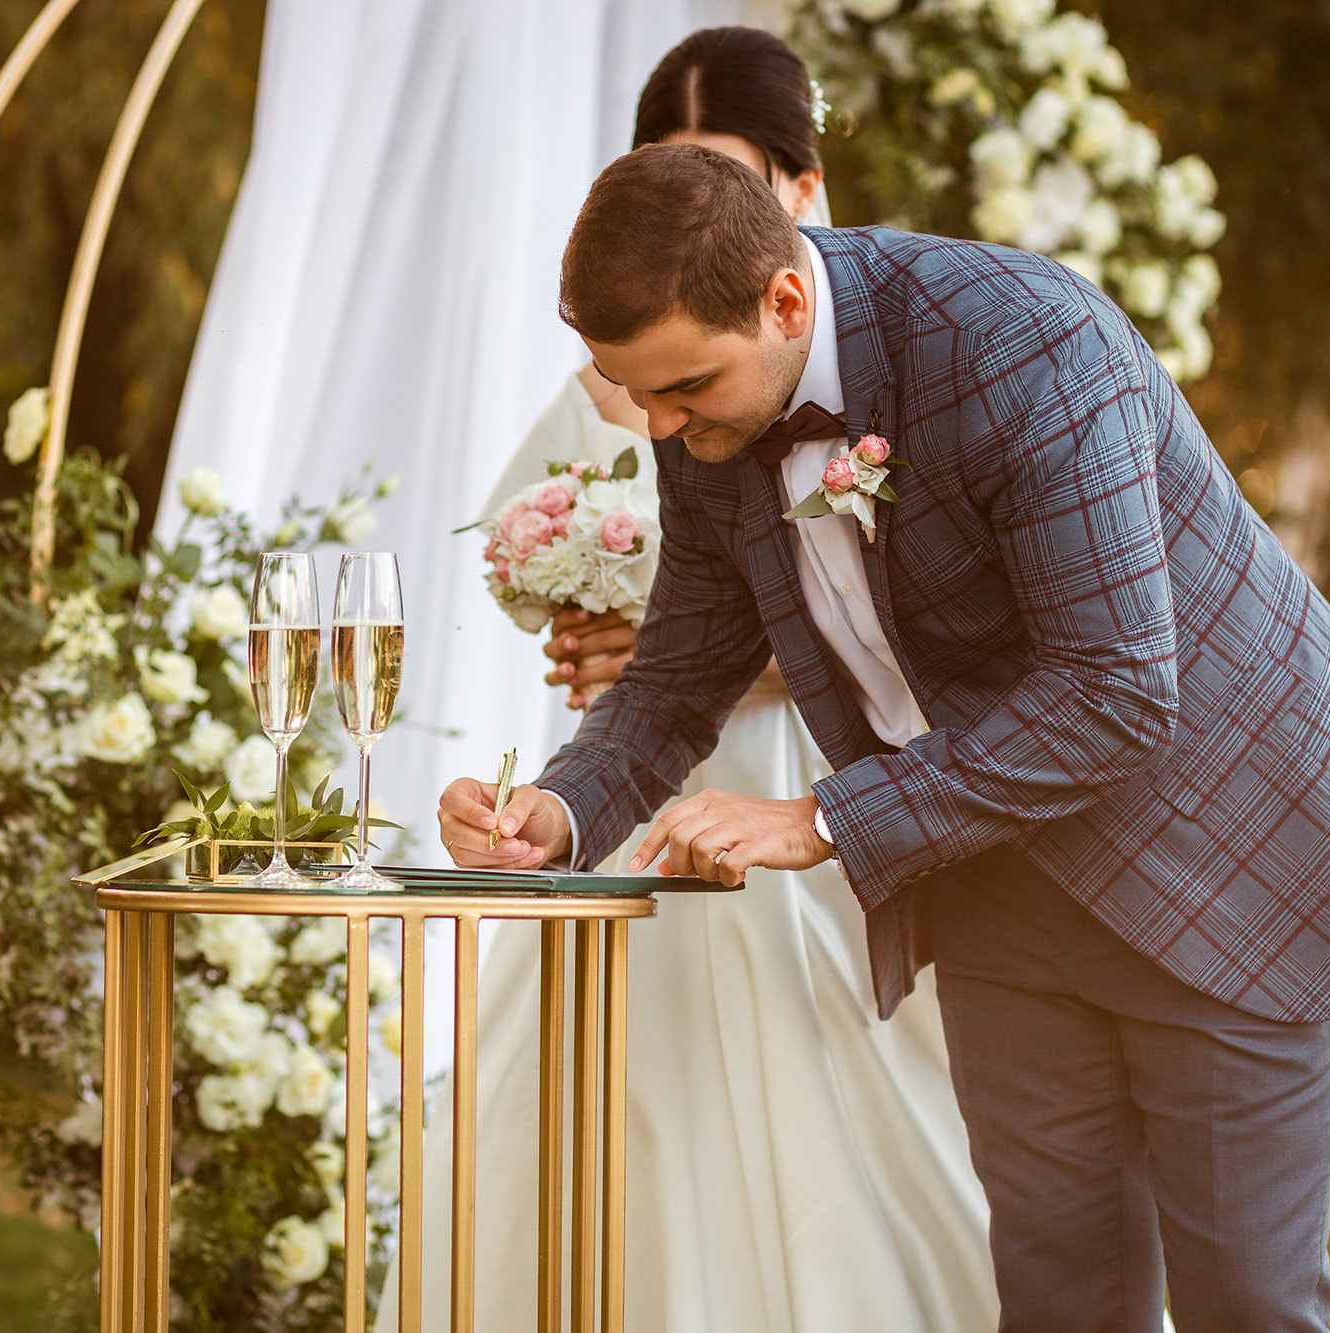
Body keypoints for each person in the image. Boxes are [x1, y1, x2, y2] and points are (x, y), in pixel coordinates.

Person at [441, 144, 1330, 1331]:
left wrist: (820, 818)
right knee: (1053, 1298)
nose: (657, 426)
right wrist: (553, 815)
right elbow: (673, 679)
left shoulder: (1018, 342)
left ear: (782, 301)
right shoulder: (702, 428)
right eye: (637, 391)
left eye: (685, 388)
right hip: (994, 878)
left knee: (1244, 1303)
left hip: (1221, 854)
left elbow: (1116, 691)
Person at [385, 29, 999, 1333]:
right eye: (666, 175)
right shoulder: (638, 395)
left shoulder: (879, 368)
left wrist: (753, 666)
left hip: (825, 787)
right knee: (620, 1116)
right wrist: (605, 649)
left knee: (871, 1101)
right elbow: (625, 624)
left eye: (725, 178)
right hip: (651, 788)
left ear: (799, 191)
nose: (695, 213)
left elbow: (916, 624)